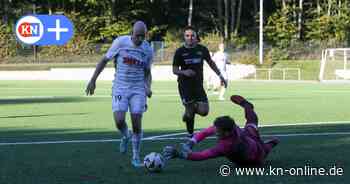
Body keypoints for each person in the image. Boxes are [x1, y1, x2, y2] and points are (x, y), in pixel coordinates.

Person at [85, 21, 153, 167]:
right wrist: (93, 80)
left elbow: (148, 72)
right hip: (120, 87)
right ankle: (125, 135)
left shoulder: (147, 48)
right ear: (131, 33)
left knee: (136, 123)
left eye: (143, 36)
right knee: (119, 120)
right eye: (137, 36)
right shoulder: (120, 43)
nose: (140, 39)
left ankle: (135, 156)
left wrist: (147, 86)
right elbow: (104, 60)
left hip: (138, 89)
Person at [163, 95, 279, 166]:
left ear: (227, 133)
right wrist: (192, 142)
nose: (215, 132)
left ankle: (271, 143)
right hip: (248, 138)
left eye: (217, 131)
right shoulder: (230, 127)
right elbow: (205, 132)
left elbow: (202, 156)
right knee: (252, 122)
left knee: (265, 148)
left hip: (254, 157)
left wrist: (179, 155)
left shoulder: (225, 146)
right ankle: (247, 105)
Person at [173, 26, 227, 137]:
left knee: (204, 111)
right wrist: (184, 72)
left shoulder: (202, 49)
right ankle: (190, 134)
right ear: (184, 37)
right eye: (187, 35)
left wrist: (220, 76)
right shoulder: (180, 52)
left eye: (192, 35)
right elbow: (174, 70)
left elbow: (211, 63)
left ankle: (189, 111)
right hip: (185, 86)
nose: (190, 38)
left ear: (196, 37)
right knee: (190, 112)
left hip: (198, 85)